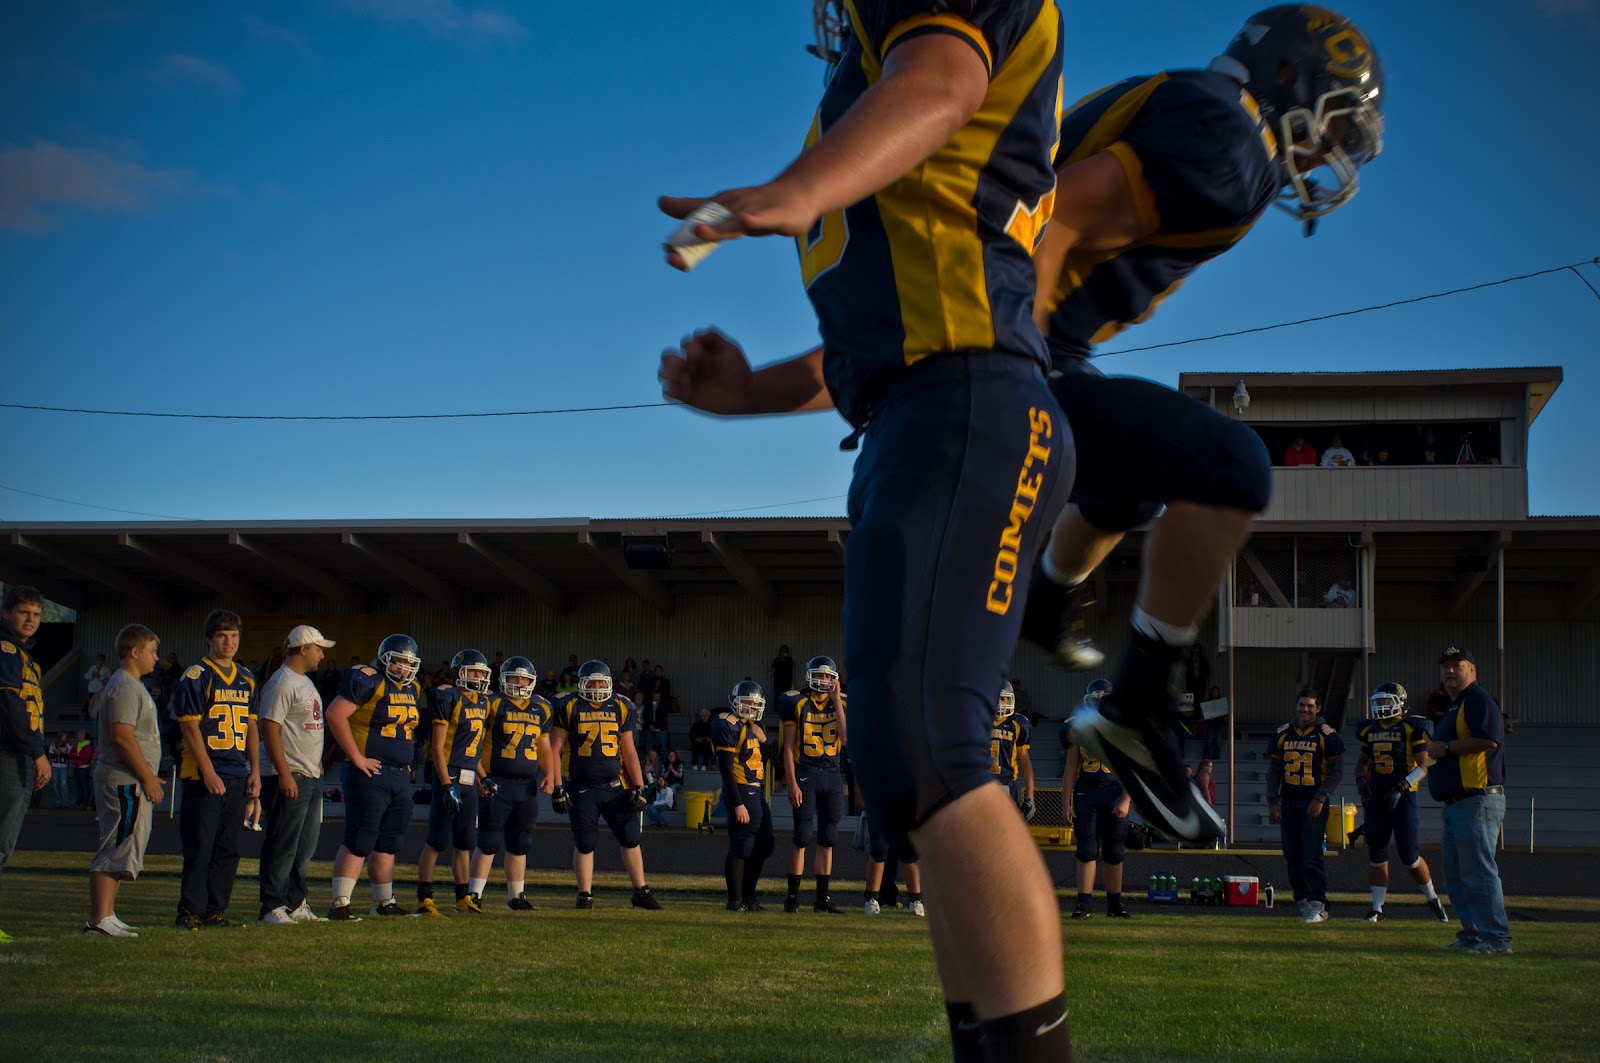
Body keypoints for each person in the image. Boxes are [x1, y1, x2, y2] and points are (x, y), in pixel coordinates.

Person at [658, 2, 1073, 1051]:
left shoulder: (921, 63)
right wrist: (746, 392)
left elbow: (940, 88)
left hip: (968, 403)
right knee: (906, 762)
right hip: (918, 408)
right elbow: (886, 330)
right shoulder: (868, 85)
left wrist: (789, 194)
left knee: (936, 749)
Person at [1019, 5, 1382, 852]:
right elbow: (1052, 220)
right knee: (1231, 467)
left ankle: (1049, 596)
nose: (1330, 150)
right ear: (1290, 78)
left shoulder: (1208, 116)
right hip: (1006, 339)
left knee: (1141, 474)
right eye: (1335, 120)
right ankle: (1141, 703)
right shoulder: (1231, 142)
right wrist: (996, 371)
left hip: (1030, 339)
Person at [547, 660, 662, 911]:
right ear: (581, 684)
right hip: (580, 786)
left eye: (601, 682)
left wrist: (639, 786)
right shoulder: (568, 705)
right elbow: (554, 749)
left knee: (631, 837)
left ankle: (640, 892)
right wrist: (557, 786)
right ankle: (585, 894)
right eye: (592, 682)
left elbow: (629, 751)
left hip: (614, 785)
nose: (597, 687)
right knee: (585, 842)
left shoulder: (621, 705)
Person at [170, 609, 259, 930]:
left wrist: (255, 772)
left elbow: (251, 729)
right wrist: (207, 771)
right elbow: (190, 729)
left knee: (228, 847)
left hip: (237, 771)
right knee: (200, 845)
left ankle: (214, 909)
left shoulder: (247, 678)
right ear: (210, 639)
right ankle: (189, 910)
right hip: (203, 773)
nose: (229, 642)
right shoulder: (197, 675)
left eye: (234, 636)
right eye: (222, 635)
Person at [324, 634, 424, 920]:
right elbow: (334, 714)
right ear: (384, 659)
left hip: (397, 774)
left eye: (408, 663)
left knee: (389, 841)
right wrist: (355, 756)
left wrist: (404, 760)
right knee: (361, 836)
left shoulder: (413, 688)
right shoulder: (369, 679)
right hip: (370, 772)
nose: (403, 668)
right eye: (398, 661)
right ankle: (340, 903)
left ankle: (383, 903)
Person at [1426, 647, 1510, 954]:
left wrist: (1445, 747)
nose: (1449, 671)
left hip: (1477, 799)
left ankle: (1496, 940)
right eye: (1445, 666)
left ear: (1472, 670)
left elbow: (1489, 738)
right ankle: (1473, 936)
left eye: (1456, 665)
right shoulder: (1454, 705)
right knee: (1459, 875)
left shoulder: (1477, 699)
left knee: (1478, 872)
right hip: (1457, 803)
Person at [84, 624, 165, 936]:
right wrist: (149, 778)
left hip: (129, 779)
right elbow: (122, 737)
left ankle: (106, 914)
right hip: (123, 779)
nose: (156, 658)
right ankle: (98, 919)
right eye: (152, 651)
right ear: (135, 651)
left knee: (123, 847)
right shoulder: (125, 687)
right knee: (115, 845)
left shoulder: (130, 685)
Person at [257, 625, 333, 925]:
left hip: (309, 773)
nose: (322, 654)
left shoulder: (303, 681)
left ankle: (296, 901)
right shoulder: (281, 683)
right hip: (288, 774)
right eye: (318, 648)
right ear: (303, 649)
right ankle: (271, 905)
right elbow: (269, 728)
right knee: (283, 842)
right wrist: (285, 773)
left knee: (304, 846)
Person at [1354, 682, 1448, 924]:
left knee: (1409, 855)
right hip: (1377, 797)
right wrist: (1360, 781)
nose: (1380, 707)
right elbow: (1362, 763)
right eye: (1378, 702)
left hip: (1403, 796)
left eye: (1385, 702)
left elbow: (1426, 764)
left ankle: (1432, 898)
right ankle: (1377, 908)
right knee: (1377, 854)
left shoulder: (1411, 727)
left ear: (1399, 702)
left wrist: (1402, 786)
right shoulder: (1370, 729)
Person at [468, 656, 556, 911]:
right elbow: (474, 742)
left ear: (532, 680)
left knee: (520, 843)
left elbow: (544, 746)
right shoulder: (492, 703)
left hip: (526, 784)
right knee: (488, 840)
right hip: (496, 780)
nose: (519, 682)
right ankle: (474, 895)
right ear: (502, 679)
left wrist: (549, 774)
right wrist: (479, 775)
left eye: (524, 678)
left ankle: (515, 897)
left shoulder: (542, 707)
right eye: (514, 677)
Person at [417, 649, 493, 915]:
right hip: (448, 773)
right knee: (437, 840)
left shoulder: (483, 702)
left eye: (481, 673)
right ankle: (424, 897)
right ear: (460, 672)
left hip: (469, 776)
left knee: (465, 841)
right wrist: (446, 785)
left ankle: (463, 897)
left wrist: (484, 778)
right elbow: (437, 749)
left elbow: (473, 749)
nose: (477, 677)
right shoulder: (447, 696)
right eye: (473, 672)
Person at [1267, 687, 1345, 923]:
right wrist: (1273, 801)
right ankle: (1302, 899)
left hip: (1312, 801)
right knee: (1292, 855)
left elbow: (1336, 770)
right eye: (1302, 705)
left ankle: (1318, 903)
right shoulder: (1283, 732)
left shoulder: (1327, 734)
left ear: (1318, 708)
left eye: (1310, 705)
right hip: (1289, 800)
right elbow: (1274, 771)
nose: (1305, 709)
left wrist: (1320, 798)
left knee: (1311, 855)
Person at [778, 655, 847, 914]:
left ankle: (822, 900)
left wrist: (837, 699)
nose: (824, 680)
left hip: (831, 772)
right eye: (820, 675)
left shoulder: (840, 701)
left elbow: (845, 735)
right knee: (802, 835)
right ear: (809, 676)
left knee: (828, 837)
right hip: (806, 770)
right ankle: (792, 898)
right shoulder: (796, 702)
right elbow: (786, 748)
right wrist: (792, 782)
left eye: (829, 676)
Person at [0, 585, 48, 942]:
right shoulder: (6, 652)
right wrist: (37, 751)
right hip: (8, 754)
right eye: (22, 612)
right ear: (6, 613)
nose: (30, 619)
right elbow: (12, 709)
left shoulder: (25, 656)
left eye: (35, 614)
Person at [1062, 679, 1132, 919]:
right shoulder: (1079, 726)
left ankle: (1115, 905)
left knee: (1114, 850)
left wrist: (1126, 799)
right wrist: (1065, 801)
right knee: (1086, 849)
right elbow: (1071, 767)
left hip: (1114, 790)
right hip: (1087, 792)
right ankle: (1084, 903)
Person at [714, 679, 775, 912]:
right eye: (747, 702)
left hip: (756, 789)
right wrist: (738, 803)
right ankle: (735, 901)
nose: (751, 707)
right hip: (741, 788)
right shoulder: (727, 723)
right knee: (742, 846)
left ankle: (749, 897)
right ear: (736, 702)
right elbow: (725, 768)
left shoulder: (752, 726)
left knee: (765, 845)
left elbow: (767, 760)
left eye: (754, 703)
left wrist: (764, 740)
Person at [991, 683, 1035, 820]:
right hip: (980, 785)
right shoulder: (977, 721)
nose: (999, 702)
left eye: (1003, 698)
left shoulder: (1017, 723)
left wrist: (1030, 797)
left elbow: (1025, 762)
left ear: (1010, 700)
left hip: (1006, 785)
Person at [71, 729, 96, 809]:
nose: (77, 736)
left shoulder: (88, 746)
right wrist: (76, 756)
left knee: (84, 786)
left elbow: (88, 757)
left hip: (84, 768)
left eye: (79, 735)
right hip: (76, 767)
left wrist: (78, 755)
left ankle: (85, 802)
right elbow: (70, 755)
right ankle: (79, 802)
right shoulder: (76, 745)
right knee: (78, 786)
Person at [48, 731, 72, 809]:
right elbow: (51, 756)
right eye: (63, 736)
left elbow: (69, 756)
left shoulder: (67, 745)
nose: (65, 738)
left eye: (65, 736)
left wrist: (61, 753)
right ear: (60, 737)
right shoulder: (53, 744)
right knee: (55, 785)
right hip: (55, 766)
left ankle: (65, 802)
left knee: (63, 784)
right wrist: (57, 754)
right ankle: (57, 802)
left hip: (63, 767)